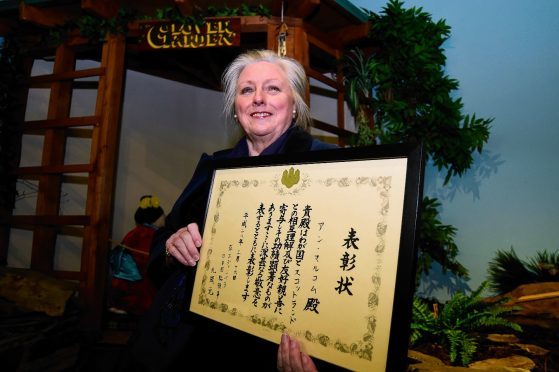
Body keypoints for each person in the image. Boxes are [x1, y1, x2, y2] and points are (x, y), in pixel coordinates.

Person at [125, 50, 339, 372]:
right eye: (247, 90)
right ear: (236, 110)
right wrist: (172, 246)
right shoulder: (214, 166)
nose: (258, 99)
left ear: (294, 106)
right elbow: (163, 240)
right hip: (187, 341)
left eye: (273, 88)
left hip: (276, 349)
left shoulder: (329, 166)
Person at [108, 195, 165, 317]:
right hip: (135, 276)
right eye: (162, 216)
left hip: (126, 275)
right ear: (155, 219)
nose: (164, 219)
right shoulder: (147, 234)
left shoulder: (137, 231)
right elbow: (145, 257)